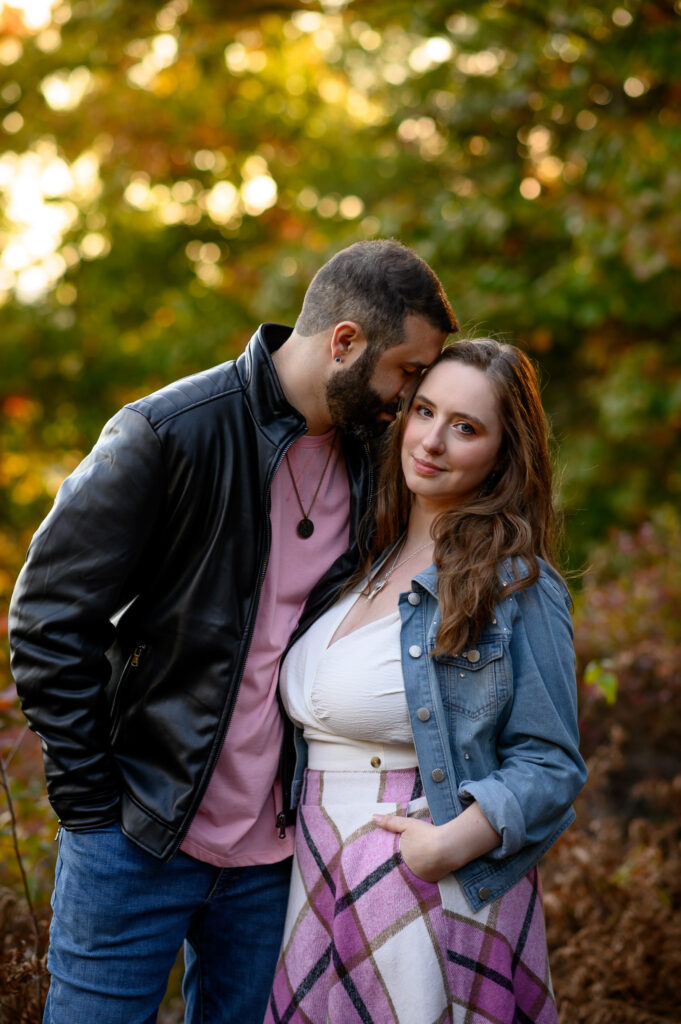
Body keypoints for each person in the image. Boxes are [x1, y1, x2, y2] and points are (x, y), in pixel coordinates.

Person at [8, 239, 457, 1024]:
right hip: (138, 835)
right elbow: (45, 617)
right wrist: (91, 804)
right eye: (408, 371)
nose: (411, 397)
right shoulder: (169, 432)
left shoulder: (371, 463)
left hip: (278, 854)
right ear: (345, 341)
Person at [266, 339, 587, 1024]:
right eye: (423, 411)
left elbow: (551, 763)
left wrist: (450, 843)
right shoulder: (358, 560)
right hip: (314, 866)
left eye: (465, 427)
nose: (432, 441)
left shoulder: (515, 582)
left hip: (425, 885)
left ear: (504, 452)